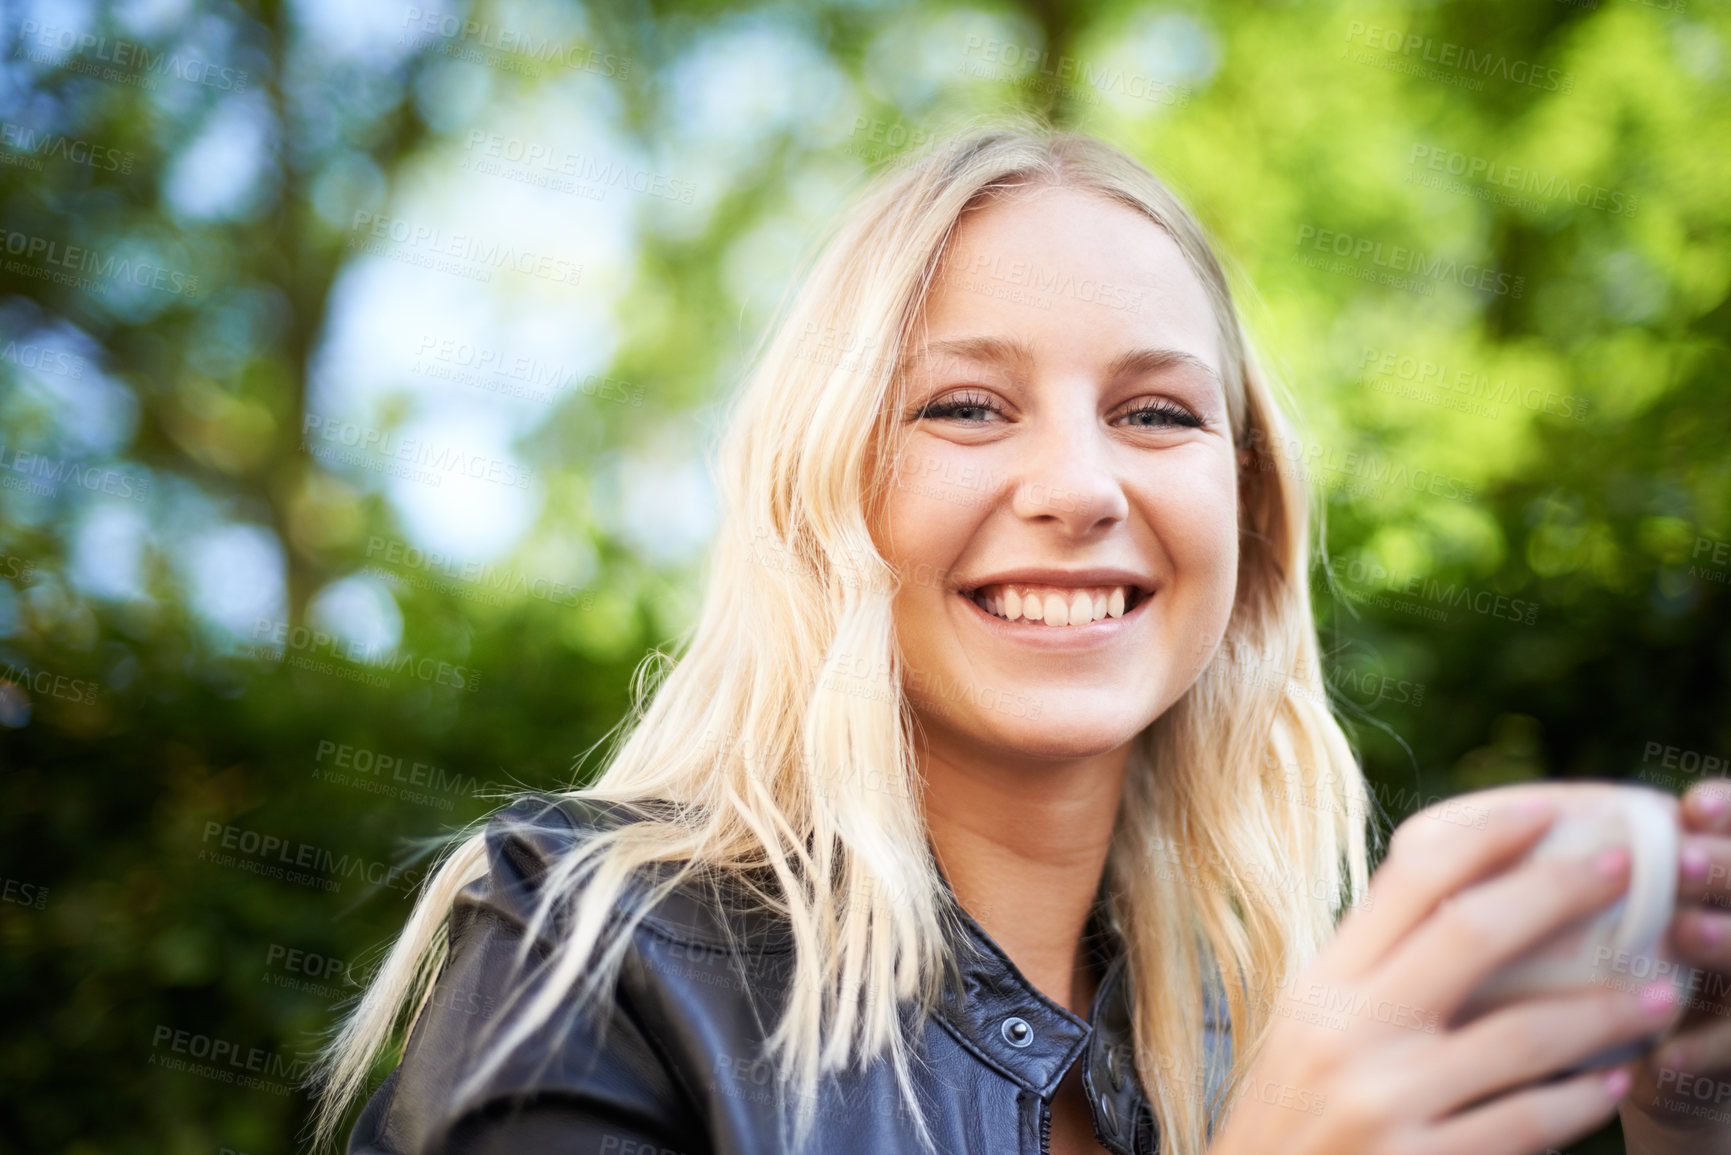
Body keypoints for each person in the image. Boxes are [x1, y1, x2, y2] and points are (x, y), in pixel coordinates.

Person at [309, 118, 1731, 1155]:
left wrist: (1685, 1115)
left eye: (1156, 412)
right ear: (828, 488)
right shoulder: (593, 962)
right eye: (967, 407)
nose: (1077, 488)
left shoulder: (1278, 1048)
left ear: (1248, 520)